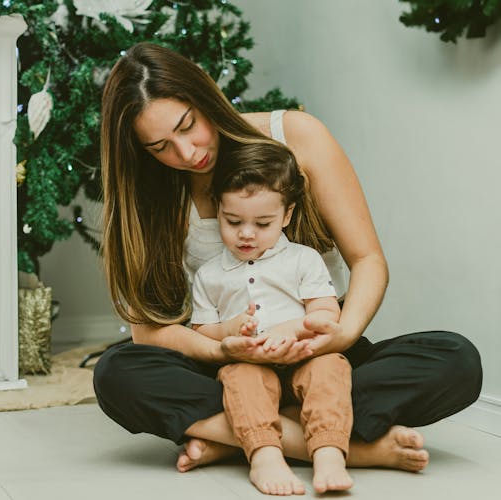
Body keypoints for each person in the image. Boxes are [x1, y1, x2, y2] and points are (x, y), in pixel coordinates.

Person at [93, 42, 482, 494]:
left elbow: (368, 261)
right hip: (230, 360)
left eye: (188, 126)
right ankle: (334, 445)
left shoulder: (295, 135)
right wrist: (224, 350)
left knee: (457, 360)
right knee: (116, 372)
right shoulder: (149, 194)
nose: (187, 152)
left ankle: (235, 436)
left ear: (204, 97)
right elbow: (149, 332)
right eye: (160, 147)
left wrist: (342, 333)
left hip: (318, 352)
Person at [191, 140, 352, 494]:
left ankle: (328, 451)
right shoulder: (210, 275)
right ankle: (264, 454)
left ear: (287, 215)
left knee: (331, 369)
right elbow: (201, 331)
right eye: (233, 221)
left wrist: (293, 329)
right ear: (219, 210)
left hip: (303, 356)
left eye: (263, 223)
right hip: (249, 360)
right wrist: (228, 332)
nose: (246, 233)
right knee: (240, 378)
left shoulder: (302, 259)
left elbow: (327, 311)